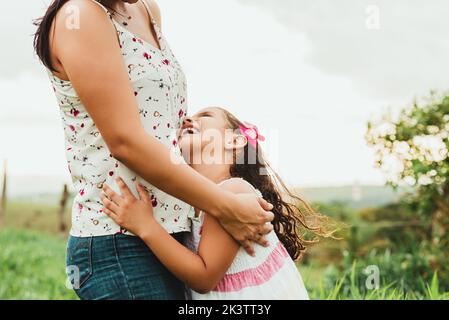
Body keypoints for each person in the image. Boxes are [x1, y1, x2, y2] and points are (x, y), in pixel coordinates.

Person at [33, 0, 273, 300]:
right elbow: (126, 143)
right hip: (117, 241)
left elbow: (161, 131)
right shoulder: (80, 16)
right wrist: (226, 207)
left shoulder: (147, 11)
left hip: (171, 236)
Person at [102, 107, 332, 299]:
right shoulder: (200, 203)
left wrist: (146, 226)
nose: (187, 119)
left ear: (235, 140)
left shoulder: (233, 191)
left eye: (206, 115)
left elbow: (204, 277)